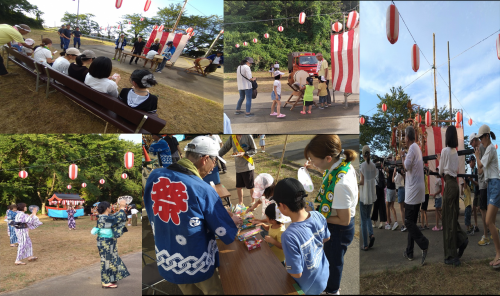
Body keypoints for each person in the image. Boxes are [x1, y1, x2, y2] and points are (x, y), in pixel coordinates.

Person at [143, 136, 242, 295]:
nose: (213, 167)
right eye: (214, 161)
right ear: (205, 159)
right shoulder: (201, 188)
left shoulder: (155, 176)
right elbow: (222, 229)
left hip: (168, 256)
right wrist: (232, 220)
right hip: (194, 258)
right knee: (214, 291)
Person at [304, 134, 357, 295]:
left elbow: (344, 220)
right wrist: (316, 168)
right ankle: (330, 286)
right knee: (330, 259)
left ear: (328, 158)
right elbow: (329, 177)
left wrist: (315, 215)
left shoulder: (340, 184)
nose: (311, 162)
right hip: (336, 225)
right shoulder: (341, 164)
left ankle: (333, 290)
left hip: (338, 229)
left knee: (333, 263)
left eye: (313, 160)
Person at [272, 178, 330, 295]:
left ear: (283, 206)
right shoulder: (317, 215)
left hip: (307, 287)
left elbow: (296, 273)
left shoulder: (288, 236)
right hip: (324, 274)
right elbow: (326, 238)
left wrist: (288, 264)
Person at [400, 126, 429, 265]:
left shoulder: (411, 148)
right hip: (418, 190)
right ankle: (409, 252)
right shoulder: (417, 147)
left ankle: (424, 243)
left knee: (408, 222)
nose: (404, 140)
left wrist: (402, 156)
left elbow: (406, 166)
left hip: (412, 191)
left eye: (404, 137)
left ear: (407, 137)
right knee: (412, 222)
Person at [474, 124, 500, 268]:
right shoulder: (488, 150)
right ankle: (498, 254)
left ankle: (499, 254)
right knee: (491, 223)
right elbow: (480, 171)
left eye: (481, 138)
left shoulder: (490, 149)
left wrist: (477, 156)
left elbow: (479, 166)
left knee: (489, 221)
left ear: (487, 136)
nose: (480, 141)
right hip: (491, 184)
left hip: (495, 184)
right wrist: (479, 161)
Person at [92, 200, 130, 288]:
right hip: (105, 241)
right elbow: (119, 218)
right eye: (110, 207)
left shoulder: (105, 217)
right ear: (107, 208)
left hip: (108, 241)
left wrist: (121, 208)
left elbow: (115, 216)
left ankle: (111, 277)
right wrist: (122, 207)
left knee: (112, 259)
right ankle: (105, 281)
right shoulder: (104, 218)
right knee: (106, 261)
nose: (111, 208)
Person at [219, 135, 257, 205]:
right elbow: (225, 148)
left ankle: (253, 201)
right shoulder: (232, 137)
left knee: (250, 186)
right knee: (239, 186)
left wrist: (245, 153)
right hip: (238, 167)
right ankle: (240, 203)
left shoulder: (248, 136)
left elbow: (254, 150)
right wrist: (217, 155)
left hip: (247, 166)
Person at [470, 132, 491, 246]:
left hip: (483, 183)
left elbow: (481, 167)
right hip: (484, 182)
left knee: (483, 209)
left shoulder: (482, 148)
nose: (471, 144)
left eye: (471, 142)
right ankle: (489, 231)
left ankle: (486, 235)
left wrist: (477, 158)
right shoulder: (482, 147)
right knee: (485, 209)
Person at [359, 145, 377, 251]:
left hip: (363, 195)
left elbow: (362, 181)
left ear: (363, 154)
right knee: (368, 217)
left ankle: (365, 244)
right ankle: (371, 234)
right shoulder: (373, 166)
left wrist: (355, 183)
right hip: (371, 195)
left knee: (363, 220)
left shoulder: (362, 166)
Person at [372, 160, 388, 230]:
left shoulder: (373, 170)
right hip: (381, 187)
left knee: (375, 205)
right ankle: (381, 222)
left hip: (376, 188)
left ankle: (374, 222)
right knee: (381, 205)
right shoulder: (382, 170)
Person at [468, 155, 480, 233]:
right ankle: (476, 225)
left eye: (470, 162)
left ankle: (488, 225)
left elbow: (477, 184)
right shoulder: (472, 171)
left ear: (473, 162)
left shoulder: (476, 170)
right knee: (474, 209)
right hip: (476, 192)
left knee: (480, 209)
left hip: (479, 192)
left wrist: (471, 181)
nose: (469, 164)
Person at [419, 165, 430, 230]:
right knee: (424, 210)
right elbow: (428, 172)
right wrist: (426, 168)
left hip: (424, 194)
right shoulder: (425, 175)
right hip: (426, 194)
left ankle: (422, 225)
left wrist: (424, 168)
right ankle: (427, 224)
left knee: (422, 210)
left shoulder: (423, 176)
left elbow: (428, 171)